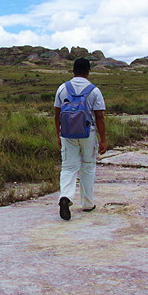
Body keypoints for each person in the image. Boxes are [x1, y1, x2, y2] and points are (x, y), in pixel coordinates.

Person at [53, 58, 107, 221]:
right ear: (88, 71)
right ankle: (87, 203)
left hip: (67, 133)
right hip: (88, 133)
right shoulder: (94, 90)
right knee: (88, 167)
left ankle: (66, 197)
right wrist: (103, 139)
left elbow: (57, 115)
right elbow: (99, 117)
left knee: (69, 167)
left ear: (73, 70)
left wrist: (59, 134)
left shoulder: (62, 89)